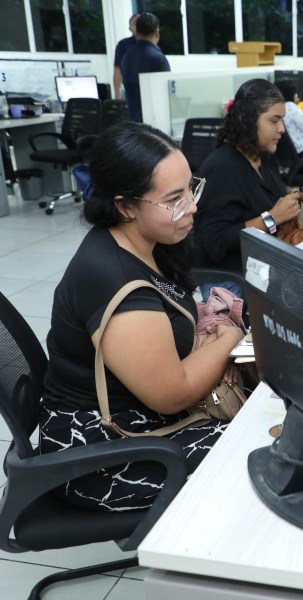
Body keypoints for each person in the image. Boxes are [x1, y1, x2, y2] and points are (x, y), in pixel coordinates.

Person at [39, 122, 244, 511]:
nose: (193, 206)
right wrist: (230, 341)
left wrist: (210, 346)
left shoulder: (148, 240)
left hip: (132, 418)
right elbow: (172, 394)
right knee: (257, 450)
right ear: (126, 206)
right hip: (97, 451)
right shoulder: (114, 280)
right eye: (175, 198)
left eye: (191, 189)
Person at [194, 79, 303, 298]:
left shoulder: (264, 159)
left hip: (265, 267)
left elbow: (281, 228)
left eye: (282, 120)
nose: (282, 129)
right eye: (274, 120)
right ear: (244, 119)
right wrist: (272, 217)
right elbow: (216, 243)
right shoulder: (222, 168)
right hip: (232, 282)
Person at [120, 12, 170, 122]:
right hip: (154, 126)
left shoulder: (126, 57)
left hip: (133, 125)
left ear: (136, 32)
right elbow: (166, 98)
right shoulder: (159, 59)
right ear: (157, 32)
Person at [112, 13, 138, 99]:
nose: (138, 26)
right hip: (130, 89)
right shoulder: (123, 45)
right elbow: (117, 68)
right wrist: (117, 96)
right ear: (130, 29)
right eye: (135, 24)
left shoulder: (152, 45)